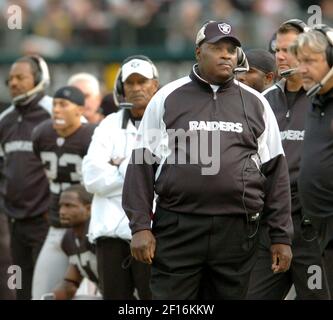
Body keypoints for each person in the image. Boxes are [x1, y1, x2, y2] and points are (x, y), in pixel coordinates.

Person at [122, 21, 293, 300]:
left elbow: (275, 172)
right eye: (217, 48)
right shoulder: (166, 97)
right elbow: (141, 165)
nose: (226, 55)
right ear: (199, 52)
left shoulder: (256, 103)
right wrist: (140, 225)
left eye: (231, 49)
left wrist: (281, 236)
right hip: (179, 226)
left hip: (237, 229)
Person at [247, 20, 330, 300]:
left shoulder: (323, 99)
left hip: (312, 229)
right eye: (277, 50)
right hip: (272, 228)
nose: (281, 56)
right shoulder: (264, 100)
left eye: (289, 49)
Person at [82, 55, 159, 300]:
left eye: (142, 81)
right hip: (110, 236)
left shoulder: (169, 123)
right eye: (131, 83)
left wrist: (117, 166)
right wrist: (137, 169)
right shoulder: (108, 125)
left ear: (155, 84)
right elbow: (92, 178)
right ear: (121, 88)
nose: (137, 88)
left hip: (153, 233)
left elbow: (166, 180)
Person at [31, 86, 96, 300]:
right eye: (54, 105)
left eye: (63, 105)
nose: (56, 110)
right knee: (42, 293)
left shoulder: (93, 136)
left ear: (79, 110)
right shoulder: (41, 134)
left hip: (90, 229)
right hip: (58, 229)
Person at [0, 55, 52, 299]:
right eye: (10, 79)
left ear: (39, 79)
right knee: (21, 288)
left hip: (47, 222)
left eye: (21, 77)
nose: (13, 83)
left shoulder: (55, 112)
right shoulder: (4, 120)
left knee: (46, 290)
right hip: (15, 222)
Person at [290, 24, 333, 297]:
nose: (302, 69)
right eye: (300, 61)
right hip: (320, 229)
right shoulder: (316, 101)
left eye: (310, 61)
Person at [43, 185, 99, 300]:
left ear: (89, 209)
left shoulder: (97, 236)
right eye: (61, 206)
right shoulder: (69, 239)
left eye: (69, 206)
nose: (62, 212)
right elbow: (70, 285)